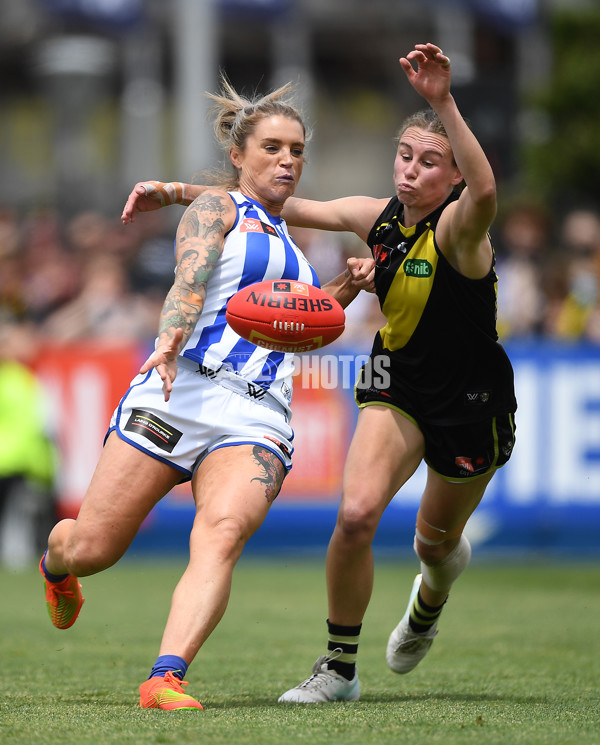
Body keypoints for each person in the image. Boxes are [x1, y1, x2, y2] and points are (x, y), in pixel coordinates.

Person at [122, 42, 517, 704]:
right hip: (398, 381)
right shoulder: (376, 217)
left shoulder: (461, 228)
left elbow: (486, 189)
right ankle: (339, 667)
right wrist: (176, 194)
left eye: (429, 163)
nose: (412, 172)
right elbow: (273, 204)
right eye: (405, 156)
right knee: (357, 513)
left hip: (472, 399)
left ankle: (431, 595)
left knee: (435, 542)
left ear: (451, 179)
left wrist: (442, 101)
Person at [39, 76, 367, 711]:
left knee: (220, 533)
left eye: (297, 150)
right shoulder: (216, 209)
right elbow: (188, 280)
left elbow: (299, 325)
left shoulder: (294, 249)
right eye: (273, 147)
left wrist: (344, 289)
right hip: (178, 389)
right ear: (239, 155)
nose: (288, 160)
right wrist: (166, 342)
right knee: (93, 548)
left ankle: (165, 678)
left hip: (257, 413)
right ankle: (57, 564)